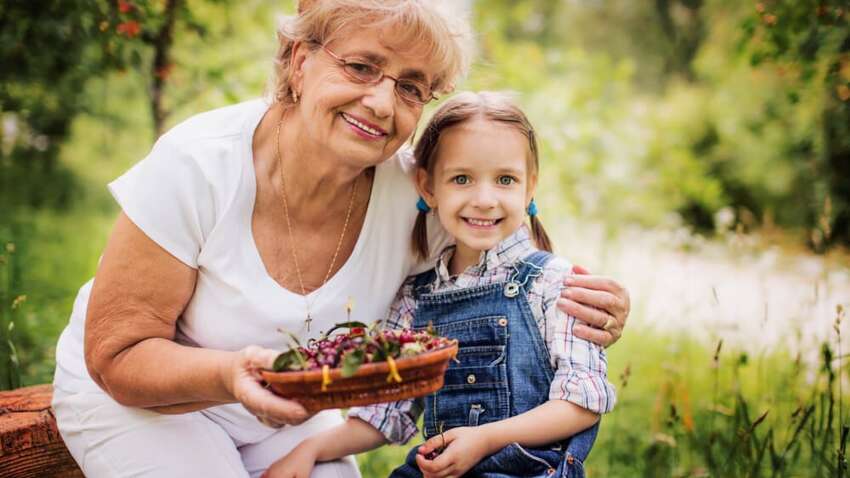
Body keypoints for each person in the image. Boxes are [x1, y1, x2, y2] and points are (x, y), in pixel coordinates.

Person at [51, 2, 630, 477]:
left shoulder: (416, 196)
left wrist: (597, 307)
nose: (381, 102)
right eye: (361, 67)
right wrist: (231, 375)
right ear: (300, 61)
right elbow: (117, 357)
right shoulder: (198, 165)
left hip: (291, 418)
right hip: (147, 405)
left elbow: (501, 256)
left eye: (410, 87)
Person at [265, 91, 615, 478]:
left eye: (505, 180)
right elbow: (385, 413)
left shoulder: (554, 283)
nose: (484, 199)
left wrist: (485, 440)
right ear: (428, 187)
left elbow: (582, 402)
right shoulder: (417, 298)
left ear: (529, 187)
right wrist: (310, 449)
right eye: (461, 179)